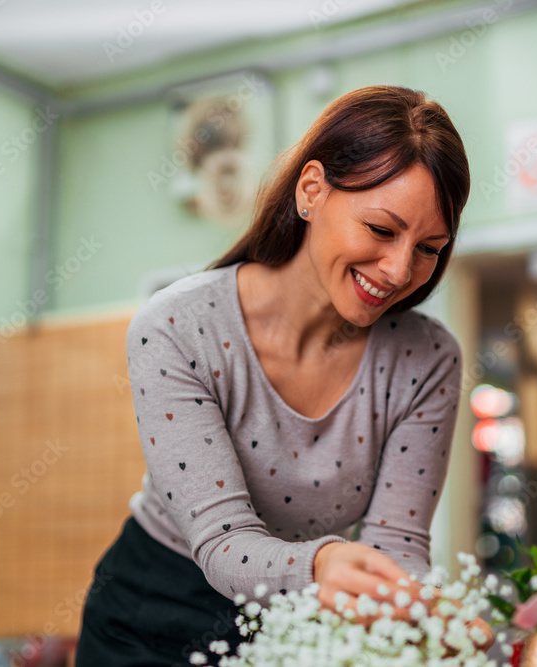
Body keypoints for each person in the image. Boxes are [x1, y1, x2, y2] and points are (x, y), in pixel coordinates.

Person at [75, 84, 492, 666]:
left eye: (429, 247)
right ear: (312, 189)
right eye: (380, 230)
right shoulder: (178, 327)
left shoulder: (425, 361)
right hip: (151, 613)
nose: (400, 270)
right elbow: (221, 542)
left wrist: (427, 613)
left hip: (303, 621)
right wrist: (322, 565)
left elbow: (396, 545)